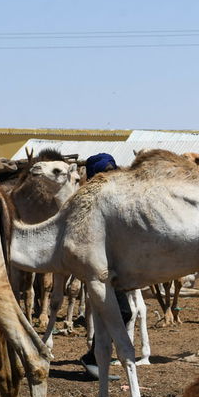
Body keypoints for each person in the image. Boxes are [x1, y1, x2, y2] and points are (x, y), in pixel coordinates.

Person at [78, 154, 133, 379]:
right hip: (100, 267)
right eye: (106, 170)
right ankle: (94, 358)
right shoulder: (90, 200)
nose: (111, 173)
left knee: (114, 313)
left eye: (112, 168)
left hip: (114, 266)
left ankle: (96, 360)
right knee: (122, 312)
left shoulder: (112, 197)